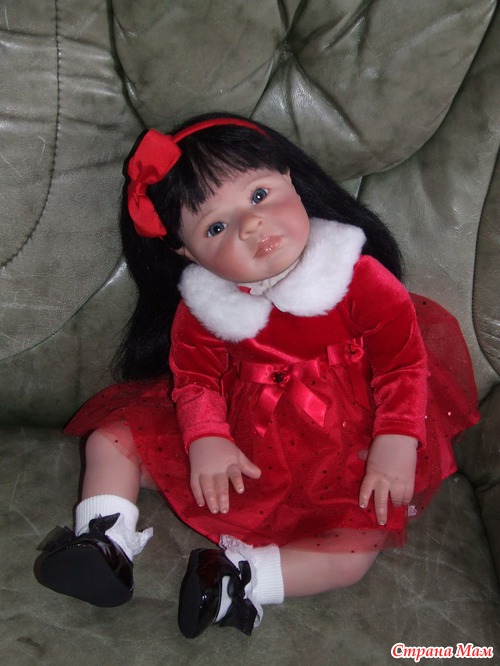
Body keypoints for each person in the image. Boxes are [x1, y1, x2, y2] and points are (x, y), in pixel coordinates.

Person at [34, 114, 480, 637]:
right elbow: (196, 381)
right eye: (215, 228)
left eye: (260, 195)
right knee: (110, 440)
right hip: (239, 443)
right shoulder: (205, 308)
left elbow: (403, 363)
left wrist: (397, 437)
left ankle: (239, 580)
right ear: (186, 252)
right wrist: (206, 437)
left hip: (345, 445)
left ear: (291, 179)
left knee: (354, 553)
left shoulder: (357, 278)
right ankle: (103, 542)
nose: (250, 225)